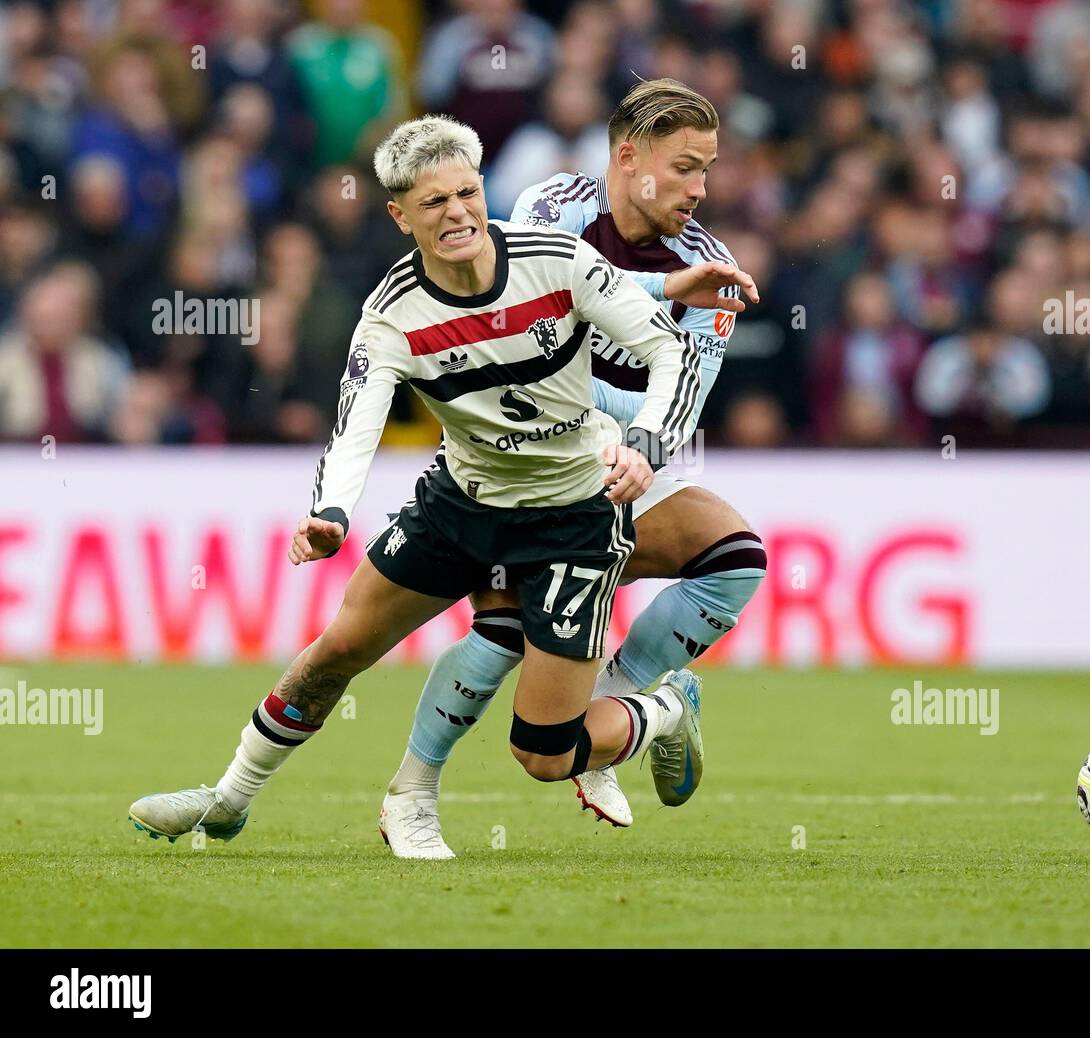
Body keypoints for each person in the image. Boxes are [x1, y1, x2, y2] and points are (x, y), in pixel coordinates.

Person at [126, 113, 703, 846]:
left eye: (466, 193)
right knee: (338, 648)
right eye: (434, 203)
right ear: (400, 215)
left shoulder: (555, 260)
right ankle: (228, 799)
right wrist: (330, 512)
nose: (458, 213)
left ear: (483, 188)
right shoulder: (390, 315)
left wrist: (648, 442)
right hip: (463, 502)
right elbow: (355, 425)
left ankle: (667, 710)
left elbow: (667, 348)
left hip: (575, 513)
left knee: (544, 753)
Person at [386, 78, 768, 858]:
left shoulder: (713, 270)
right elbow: (504, 335)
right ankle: (413, 792)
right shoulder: (552, 209)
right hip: (519, 452)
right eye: (686, 167)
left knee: (736, 559)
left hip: (627, 457)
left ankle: (622, 697)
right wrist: (633, 335)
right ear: (629, 158)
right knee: (499, 636)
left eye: (708, 169)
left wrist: (634, 441)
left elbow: (683, 400)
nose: (702, 188)